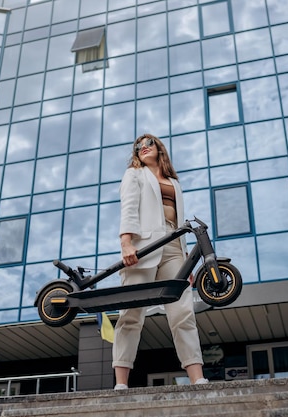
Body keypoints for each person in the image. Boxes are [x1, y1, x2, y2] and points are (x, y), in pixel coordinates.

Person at [112, 133, 208, 390]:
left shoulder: (173, 182)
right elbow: (129, 207)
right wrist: (126, 242)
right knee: (131, 315)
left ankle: (197, 378)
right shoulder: (134, 174)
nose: (143, 148)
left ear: (159, 148)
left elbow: (178, 221)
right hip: (143, 247)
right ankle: (121, 383)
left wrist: (186, 260)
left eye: (148, 144)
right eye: (138, 146)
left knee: (183, 313)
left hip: (174, 248)